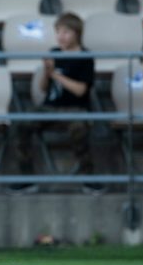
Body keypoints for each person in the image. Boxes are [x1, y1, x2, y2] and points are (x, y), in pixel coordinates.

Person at [10, 12, 103, 194]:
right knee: (21, 123)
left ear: (77, 33)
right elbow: (44, 88)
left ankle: (88, 178)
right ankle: (26, 178)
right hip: (50, 107)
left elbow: (81, 90)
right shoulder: (54, 53)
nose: (61, 36)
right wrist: (46, 73)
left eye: (66, 32)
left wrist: (55, 74)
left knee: (79, 128)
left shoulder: (85, 56)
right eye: (58, 31)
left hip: (75, 108)